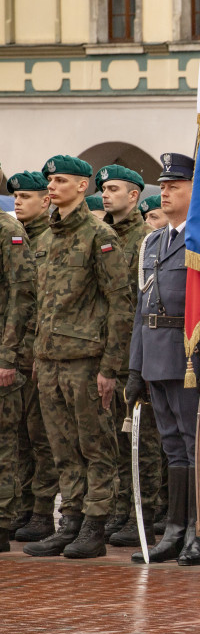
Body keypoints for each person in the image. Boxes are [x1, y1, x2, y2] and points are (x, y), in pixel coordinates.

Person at [23, 155, 134, 559]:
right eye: (50, 180)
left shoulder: (99, 235)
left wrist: (111, 367)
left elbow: (120, 303)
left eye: (61, 181)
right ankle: (68, 521)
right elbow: (40, 303)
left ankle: (94, 525)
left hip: (87, 361)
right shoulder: (47, 238)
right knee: (62, 448)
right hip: (50, 358)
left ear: (83, 187)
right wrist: (37, 351)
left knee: (96, 446)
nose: (52, 187)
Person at [126, 153, 200, 566]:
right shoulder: (153, 240)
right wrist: (135, 367)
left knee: (197, 446)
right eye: (163, 186)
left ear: (196, 191)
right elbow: (142, 306)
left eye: (174, 186)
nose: (164, 192)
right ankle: (173, 529)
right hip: (156, 353)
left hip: (190, 355)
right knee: (172, 447)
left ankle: (197, 531)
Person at [95, 165, 163, 549]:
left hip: (135, 353)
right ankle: (120, 509)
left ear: (134, 195)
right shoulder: (100, 236)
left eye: (114, 189)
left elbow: (137, 304)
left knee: (142, 441)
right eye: (103, 189)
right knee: (114, 442)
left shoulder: (146, 238)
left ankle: (144, 513)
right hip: (104, 351)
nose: (106, 195)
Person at [7, 171, 59, 543]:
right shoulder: (19, 235)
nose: (17, 202)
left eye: (26, 196)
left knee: (42, 437)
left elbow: (31, 301)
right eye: (15, 196)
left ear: (46, 201)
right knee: (19, 437)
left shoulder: (51, 237)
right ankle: (21, 504)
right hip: (18, 351)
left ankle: (42, 510)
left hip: (38, 352)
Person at [0, 178, 36, 553]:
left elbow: (21, 295)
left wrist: (8, 355)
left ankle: (2, 520)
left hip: (3, 349)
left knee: (6, 441)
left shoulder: (8, 230)